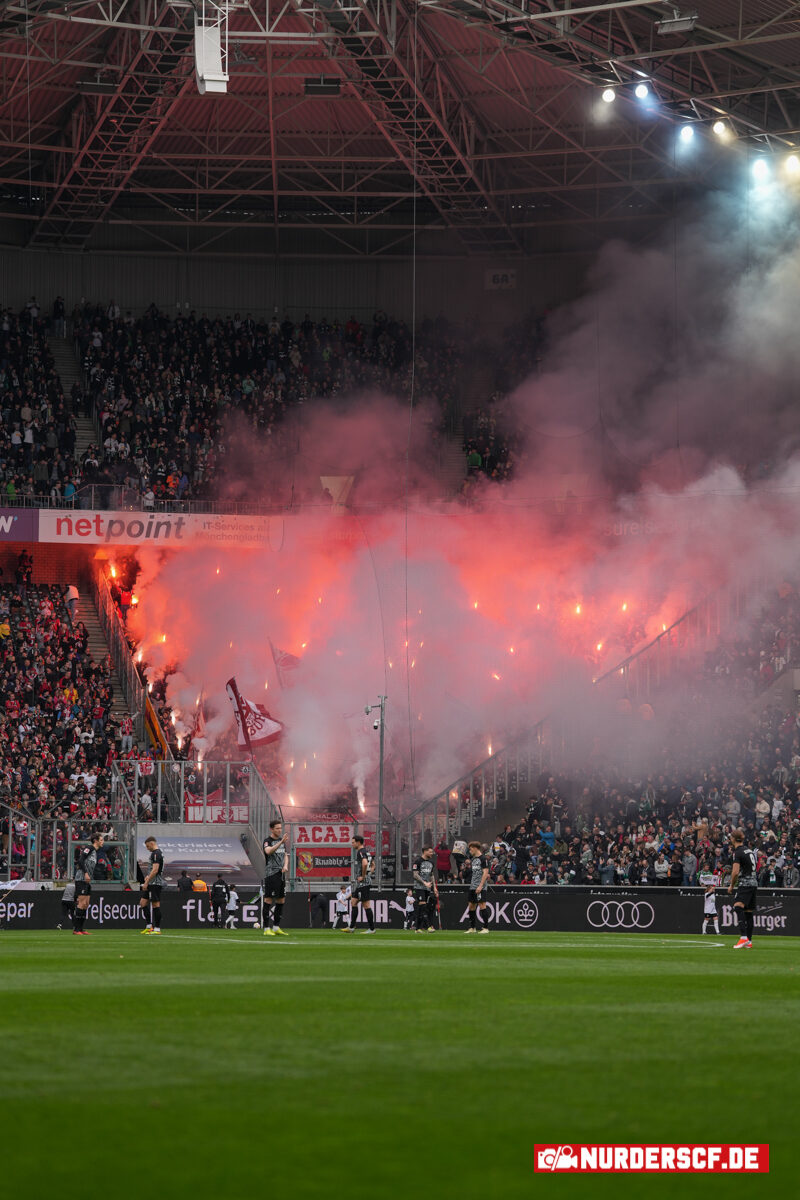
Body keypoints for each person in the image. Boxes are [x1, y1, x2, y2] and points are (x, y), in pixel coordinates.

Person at [729, 828, 758, 949]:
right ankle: (749, 941)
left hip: (745, 883)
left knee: (737, 906)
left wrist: (731, 885)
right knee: (748, 912)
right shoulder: (749, 850)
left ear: (733, 839)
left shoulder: (738, 852)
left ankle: (743, 938)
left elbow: (735, 872)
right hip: (754, 883)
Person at [262, 818, 290, 937]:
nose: (279, 830)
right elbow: (269, 851)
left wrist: (285, 865)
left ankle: (276, 927)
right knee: (268, 900)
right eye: (277, 828)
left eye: (280, 828)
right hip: (271, 874)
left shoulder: (281, 840)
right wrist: (281, 842)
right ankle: (266, 928)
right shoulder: (267, 841)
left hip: (281, 874)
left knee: (281, 900)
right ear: (271, 829)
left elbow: (285, 855)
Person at [72, 832, 104, 936]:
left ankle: (81, 929)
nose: (102, 842)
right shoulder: (89, 848)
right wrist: (86, 873)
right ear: (95, 840)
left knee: (86, 904)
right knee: (81, 903)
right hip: (81, 878)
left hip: (87, 880)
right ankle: (76, 929)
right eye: (101, 840)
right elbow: (80, 860)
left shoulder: (95, 851)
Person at [345, 834, 375, 932]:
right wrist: (369, 873)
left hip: (363, 883)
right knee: (353, 902)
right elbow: (373, 864)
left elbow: (365, 863)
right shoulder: (367, 851)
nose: (352, 844)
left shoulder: (361, 852)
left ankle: (371, 929)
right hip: (362, 883)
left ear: (358, 842)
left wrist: (363, 876)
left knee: (366, 905)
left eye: (353, 842)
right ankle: (352, 927)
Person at [140, 835, 164, 934]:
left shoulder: (156, 854)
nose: (147, 848)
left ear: (152, 843)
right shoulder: (155, 853)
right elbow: (152, 871)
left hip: (155, 883)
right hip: (151, 881)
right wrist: (147, 877)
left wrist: (146, 881)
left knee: (155, 904)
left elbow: (155, 870)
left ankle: (157, 928)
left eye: (147, 846)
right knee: (143, 903)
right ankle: (149, 926)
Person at [412, 844, 437, 932]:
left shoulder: (431, 863)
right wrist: (424, 883)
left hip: (428, 888)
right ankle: (428, 926)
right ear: (425, 851)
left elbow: (432, 875)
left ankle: (417, 928)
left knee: (421, 908)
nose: (432, 853)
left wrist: (434, 887)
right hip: (419, 887)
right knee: (423, 905)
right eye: (430, 852)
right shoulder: (418, 861)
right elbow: (415, 875)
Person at [466, 841, 490, 933]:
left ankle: (485, 928)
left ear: (476, 848)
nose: (470, 850)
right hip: (473, 885)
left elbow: (485, 873)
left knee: (482, 905)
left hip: (480, 886)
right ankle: (472, 928)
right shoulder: (473, 859)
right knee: (471, 906)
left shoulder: (483, 858)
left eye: (471, 848)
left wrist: (480, 886)